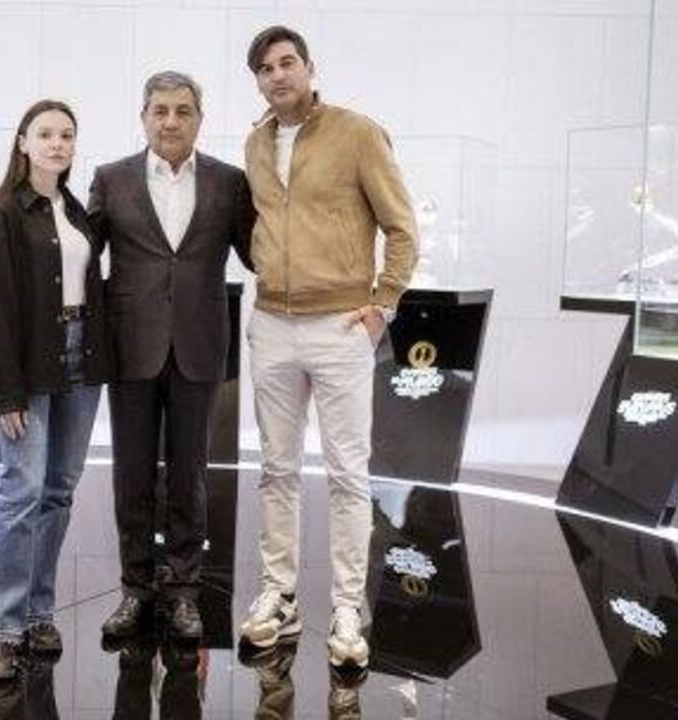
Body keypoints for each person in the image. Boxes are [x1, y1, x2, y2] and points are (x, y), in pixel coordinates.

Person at [237, 25, 418, 667]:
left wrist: (383, 303)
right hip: (271, 323)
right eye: (265, 69)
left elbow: (402, 227)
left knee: (346, 473)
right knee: (276, 470)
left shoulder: (357, 132)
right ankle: (279, 595)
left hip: (341, 324)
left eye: (287, 63)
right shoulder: (256, 143)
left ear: (310, 68)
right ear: (258, 81)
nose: (277, 75)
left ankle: (346, 608)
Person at [88, 71, 254, 643]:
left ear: (199, 119)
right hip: (129, 348)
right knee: (131, 476)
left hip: (199, 346)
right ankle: (135, 589)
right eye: (159, 110)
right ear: (143, 117)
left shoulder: (230, 182)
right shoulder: (111, 179)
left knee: (190, 476)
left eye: (183, 111)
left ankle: (184, 591)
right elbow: (81, 256)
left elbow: (260, 254)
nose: (170, 121)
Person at [0, 99, 109, 679]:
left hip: (81, 360)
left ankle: (37, 613)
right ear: (23, 142)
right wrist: (5, 393)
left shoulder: (75, 210)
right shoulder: (3, 214)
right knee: (20, 491)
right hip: (29, 368)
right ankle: (1, 629)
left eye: (67, 135)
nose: (57, 144)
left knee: (58, 490)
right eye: (46, 134)